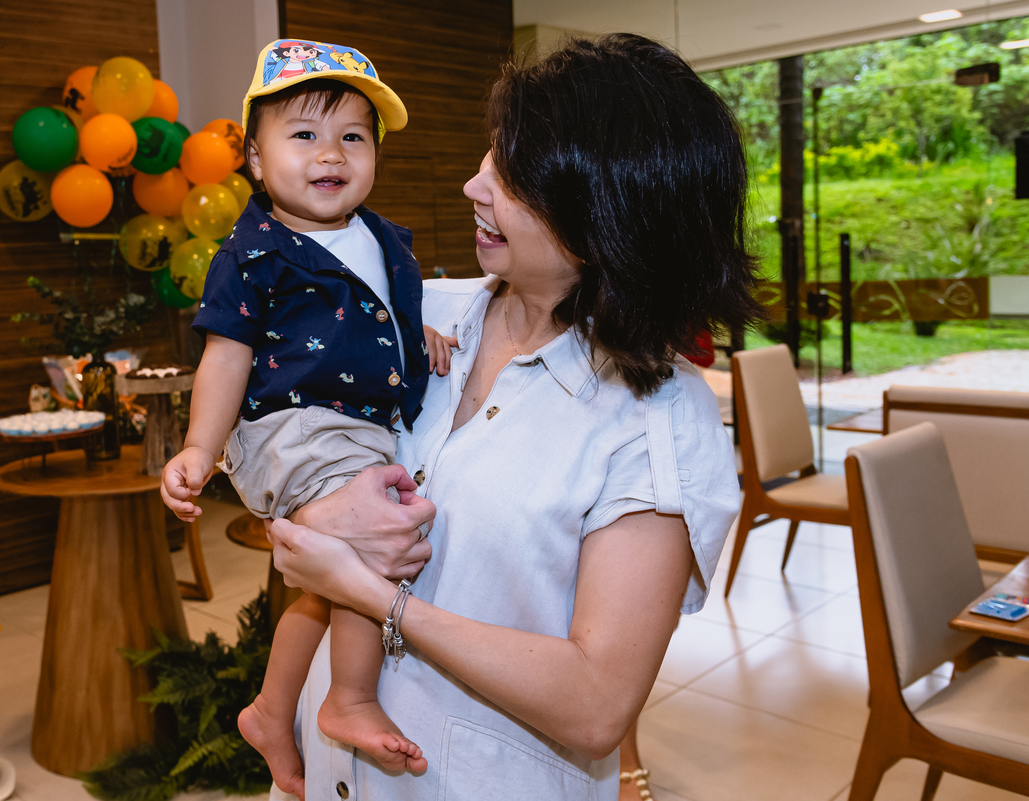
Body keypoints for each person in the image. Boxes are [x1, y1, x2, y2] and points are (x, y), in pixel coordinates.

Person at [263, 33, 760, 801]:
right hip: (330, 773)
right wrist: (310, 511)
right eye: (490, 156)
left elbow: (597, 704)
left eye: (514, 176)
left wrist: (374, 596)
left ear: (607, 215)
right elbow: (268, 414)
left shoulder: (657, 415)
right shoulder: (415, 312)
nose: (474, 185)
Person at [159, 39, 456, 800]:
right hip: (292, 426)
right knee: (375, 540)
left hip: (356, 428)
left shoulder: (381, 238)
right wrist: (199, 446)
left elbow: (374, 310)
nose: (331, 153)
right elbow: (225, 357)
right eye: (304, 134)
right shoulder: (254, 254)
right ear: (256, 161)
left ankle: (269, 710)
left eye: (353, 136)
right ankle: (349, 699)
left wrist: (414, 332)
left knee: (322, 590)